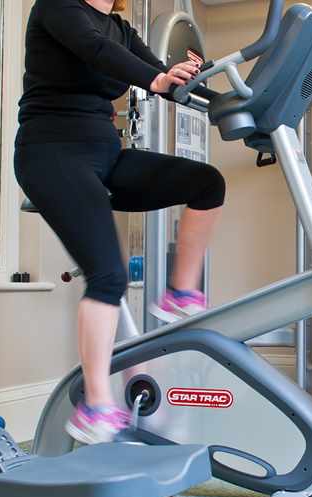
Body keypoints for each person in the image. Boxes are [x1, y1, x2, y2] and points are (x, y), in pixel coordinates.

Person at [15, 0, 225, 444]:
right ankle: (95, 405)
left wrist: (215, 92)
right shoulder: (58, 8)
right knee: (107, 275)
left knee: (207, 184)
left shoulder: (120, 29)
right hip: (50, 153)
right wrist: (155, 78)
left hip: (104, 155)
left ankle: (180, 293)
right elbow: (95, 50)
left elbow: (162, 78)